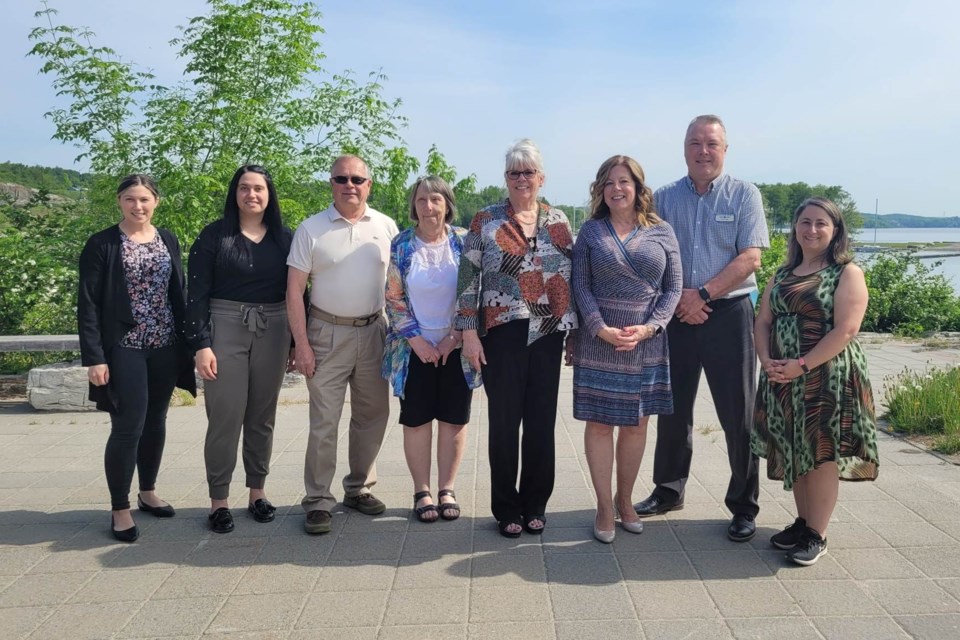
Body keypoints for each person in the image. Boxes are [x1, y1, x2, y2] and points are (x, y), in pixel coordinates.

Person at [634, 115, 769, 543]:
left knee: (738, 414)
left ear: (725, 150)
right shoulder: (664, 198)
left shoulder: (744, 195)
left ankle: (744, 505)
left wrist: (703, 295)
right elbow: (650, 250)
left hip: (728, 313)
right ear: (684, 149)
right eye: (695, 142)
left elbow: (751, 258)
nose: (703, 151)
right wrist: (680, 301)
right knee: (672, 409)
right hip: (676, 314)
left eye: (712, 143)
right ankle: (669, 490)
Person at [456, 139, 578, 538]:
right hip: (501, 332)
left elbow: (572, 279)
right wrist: (469, 333)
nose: (521, 179)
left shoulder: (558, 220)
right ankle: (506, 507)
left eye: (528, 172)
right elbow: (468, 279)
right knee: (505, 423)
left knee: (541, 423)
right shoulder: (485, 220)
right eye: (514, 172)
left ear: (541, 178)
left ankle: (536, 503)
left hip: (548, 334)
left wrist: (573, 333)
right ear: (506, 178)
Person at [753, 197, 879, 565]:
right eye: (805, 222)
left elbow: (846, 330)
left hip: (826, 377)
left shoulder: (846, 272)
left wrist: (802, 365)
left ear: (835, 230)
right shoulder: (782, 272)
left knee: (821, 453)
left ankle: (817, 535)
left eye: (821, 223)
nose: (811, 229)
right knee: (795, 448)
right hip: (783, 376)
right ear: (795, 228)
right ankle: (804, 522)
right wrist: (766, 360)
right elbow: (763, 320)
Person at [78, 174, 196, 543]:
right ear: (119, 202)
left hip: (165, 345)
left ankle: (147, 492)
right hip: (124, 346)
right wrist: (95, 357)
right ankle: (119, 508)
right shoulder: (102, 244)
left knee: (156, 420)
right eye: (130, 199)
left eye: (144, 199)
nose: (138, 206)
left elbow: (179, 292)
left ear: (156, 202)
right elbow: (89, 304)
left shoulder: (168, 239)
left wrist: (193, 342)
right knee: (128, 425)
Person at [572, 156, 682, 543]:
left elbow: (672, 288)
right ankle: (604, 506)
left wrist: (652, 327)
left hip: (646, 340)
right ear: (601, 190)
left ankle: (626, 500)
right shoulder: (590, 232)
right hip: (600, 338)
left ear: (638, 187)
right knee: (600, 423)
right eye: (609, 182)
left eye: (624, 181)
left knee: (636, 424)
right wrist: (599, 327)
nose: (616, 189)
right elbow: (580, 286)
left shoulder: (662, 232)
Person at [287, 154, 399, 534]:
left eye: (357, 179)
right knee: (324, 421)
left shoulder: (386, 226)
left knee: (373, 415)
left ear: (369, 184)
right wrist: (300, 344)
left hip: (373, 331)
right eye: (341, 179)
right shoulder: (311, 229)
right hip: (325, 333)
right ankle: (318, 500)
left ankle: (359, 487)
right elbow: (293, 291)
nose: (349, 185)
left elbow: (400, 285)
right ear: (330, 184)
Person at [186, 165, 293, 534]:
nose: (252, 195)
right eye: (245, 188)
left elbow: (299, 293)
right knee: (225, 416)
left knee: (262, 416)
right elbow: (195, 294)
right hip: (225, 327)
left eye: (259, 189)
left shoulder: (285, 238)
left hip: (275, 328)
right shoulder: (215, 236)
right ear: (235, 193)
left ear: (269, 194)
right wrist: (201, 344)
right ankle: (219, 501)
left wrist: (296, 341)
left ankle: (257, 493)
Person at [383, 176, 480, 523]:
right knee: (417, 419)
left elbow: (474, 294)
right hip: (413, 349)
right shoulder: (402, 244)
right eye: (422, 200)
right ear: (414, 206)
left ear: (447, 204)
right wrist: (418, 340)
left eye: (435, 199)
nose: (428, 207)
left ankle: (447, 489)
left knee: (454, 419)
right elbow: (392, 296)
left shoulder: (465, 242)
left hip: (457, 346)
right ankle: (422, 491)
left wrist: (454, 338)